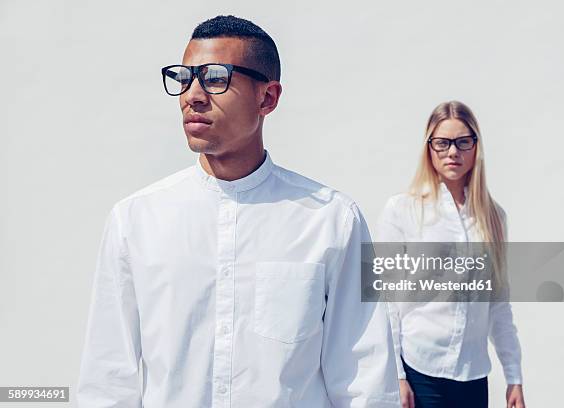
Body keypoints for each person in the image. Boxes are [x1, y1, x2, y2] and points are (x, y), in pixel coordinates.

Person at [77, 15, 399, 408]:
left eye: (215, 78)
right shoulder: (136, 220)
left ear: (268, 98)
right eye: (184, 78)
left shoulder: (332, 220)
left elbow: (363, 380)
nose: (192, 95)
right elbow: (108, 378)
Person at [376, 101, 526, 408]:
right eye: (442, 143)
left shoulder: (494, 217)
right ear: (429, 147)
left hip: (472, 376)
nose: (453, 152)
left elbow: (498, 303)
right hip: (420, 371)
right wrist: (397, 375)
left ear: (476, 146)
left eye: (462, 142)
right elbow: (386, 299)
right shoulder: (403, 210)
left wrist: (514, 376)